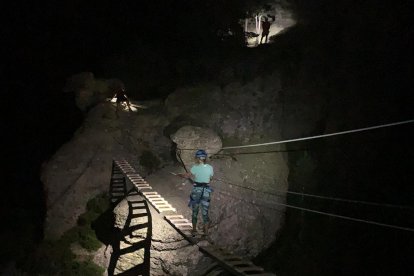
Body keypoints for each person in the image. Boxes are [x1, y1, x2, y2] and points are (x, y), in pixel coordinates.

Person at [180, 149, 214, 236]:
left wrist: (181, 175)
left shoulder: (195, 167)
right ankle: (206, 232)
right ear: (205, 158)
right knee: (205, 212)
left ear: (197, 158)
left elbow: (188, 175)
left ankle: (194, 230)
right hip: (206, 191)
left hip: (197, 191)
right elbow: (210, 178)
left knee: (195, 210)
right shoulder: (210, 167)